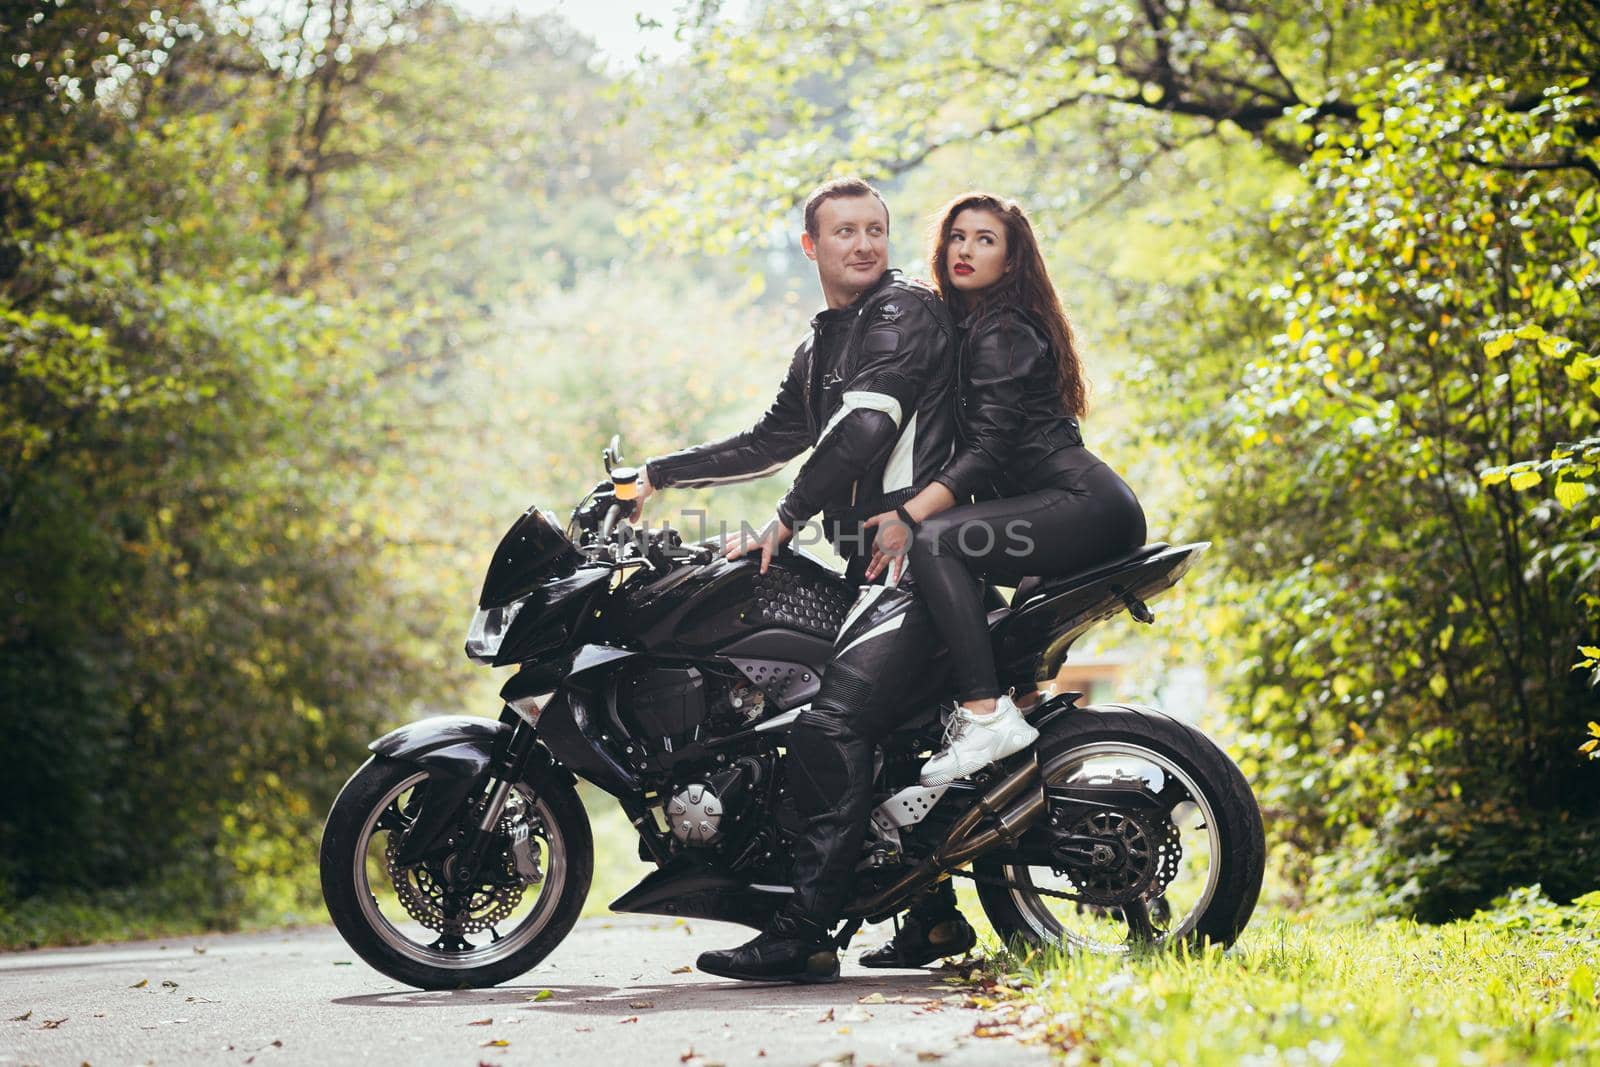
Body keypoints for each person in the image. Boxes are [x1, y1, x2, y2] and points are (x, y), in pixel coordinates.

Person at [633, 177, 958, 983]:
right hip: (875, 563)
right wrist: (654, 473)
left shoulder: (900, 312)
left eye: (875, 229)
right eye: (844, 231)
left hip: (923, 560)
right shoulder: (822, 343)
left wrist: (784, 518)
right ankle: (933, 914)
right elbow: (770, 438)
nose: (864, 243)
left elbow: (866, 427)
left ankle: (804, 929)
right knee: (884, 722)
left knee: (831, 723)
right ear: (811, 246)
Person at [854, 192, 1147, 968]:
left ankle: (987, 716)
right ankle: (939, 900)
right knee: (952, 648)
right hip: (1057, 511)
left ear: (1011, 260)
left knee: (939, 544)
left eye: (985, 240)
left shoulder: (1003, 331)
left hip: (1083, 507)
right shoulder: (976, 327)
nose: (965, 249)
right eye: (957, 236)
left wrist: (908, 517)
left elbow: (984, 456)